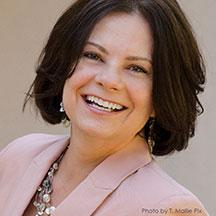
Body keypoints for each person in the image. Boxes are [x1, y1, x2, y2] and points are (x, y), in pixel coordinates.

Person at [0, 0, 209, 215]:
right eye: (93, 55)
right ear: (63, 64)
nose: (109, 80)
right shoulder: (17, 157)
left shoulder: (173, 208)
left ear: (163, 94)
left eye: (137, 68)